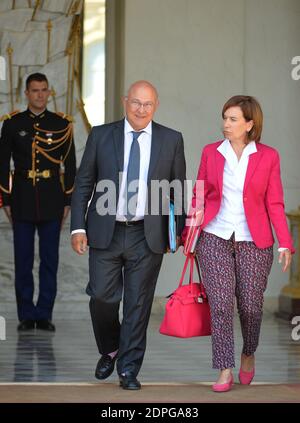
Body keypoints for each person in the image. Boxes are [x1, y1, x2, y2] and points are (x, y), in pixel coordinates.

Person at [71, 80, 186, 390]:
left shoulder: (171, 139)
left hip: (146, 235)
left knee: (137, 303)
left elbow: (176, 189)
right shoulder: (101, 135)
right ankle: (110, 348)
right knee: (101, 297)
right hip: (105, 231)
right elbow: (84, 183)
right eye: (136, 102)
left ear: (156, 105)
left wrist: (180, 232)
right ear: (125, 101)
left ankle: (129, 369)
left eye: (147, 104)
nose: (141, 109)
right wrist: (78, 227)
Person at [182, 95, 294, 392]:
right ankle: (224, 369)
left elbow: (275, 202)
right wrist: (190, 235)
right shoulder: (211, 152)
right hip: (214, 237)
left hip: (254, 241)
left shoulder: (268, 156)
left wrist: (285, 243)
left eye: (233, 119)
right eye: (225, 118)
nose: (226, 124)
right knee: (220, 305)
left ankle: (248, 353)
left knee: (251, 308)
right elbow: (199, 195)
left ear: (249, 124)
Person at [0, 73, 76, 332]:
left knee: (49, 260)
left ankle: (44, 314)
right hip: (21, 198)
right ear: (27, 93)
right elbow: (2, 165)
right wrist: (5, 200)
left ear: (49, 92)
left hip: (52, 199)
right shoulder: (12, 124)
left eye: (44, 90)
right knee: (23, 260)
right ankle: (25, 315)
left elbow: (71, 166)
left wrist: (67, 200)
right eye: (35, 90)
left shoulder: (61, 124)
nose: (40, 95)